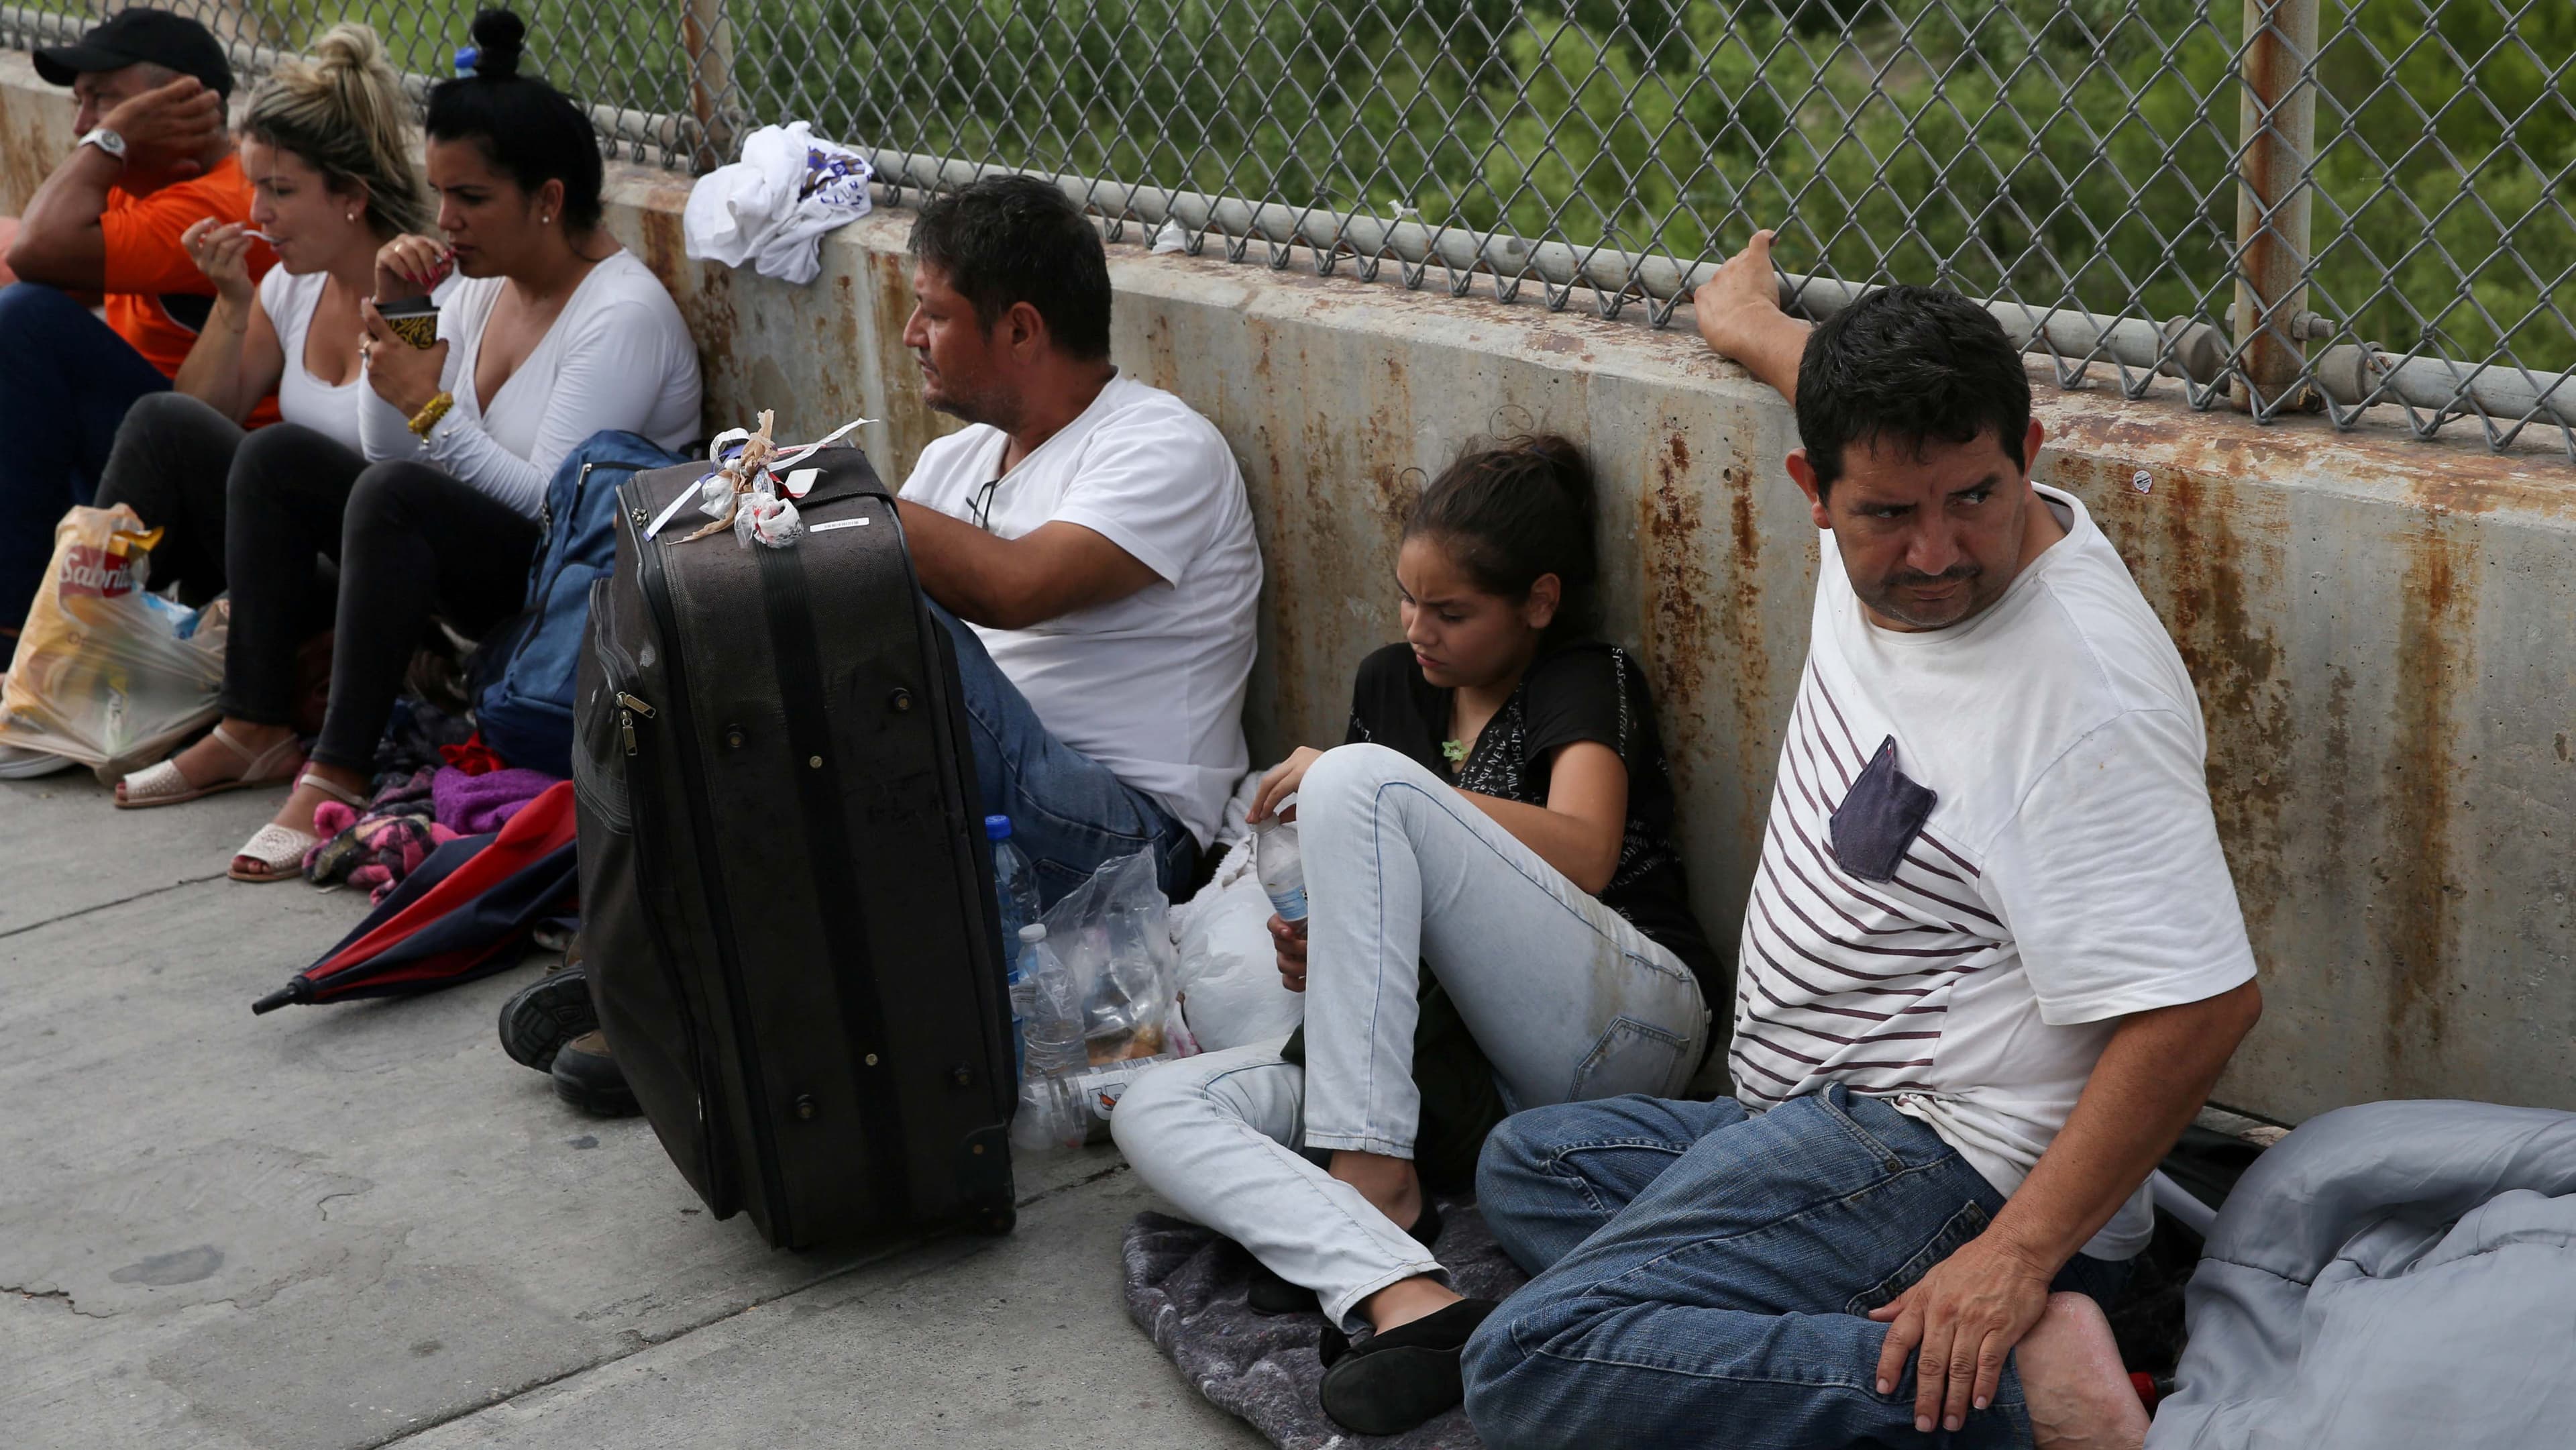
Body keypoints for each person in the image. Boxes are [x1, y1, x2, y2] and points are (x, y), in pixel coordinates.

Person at [1456, 233, 2265, 1450]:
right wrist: (1744, 320)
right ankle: (1907, 1346)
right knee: (1531, 1163)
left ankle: (2023, 1396)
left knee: (1530, 1363)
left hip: (1949, 1152)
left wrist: (2011, 1257)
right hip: (1812, 1114)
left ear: (2028, 456)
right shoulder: (1881, 469)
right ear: (1813, 491)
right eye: (1887, 514)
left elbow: (2203, 1008)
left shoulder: (2077, 702)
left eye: (1976, 499)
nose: (1937, 552)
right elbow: (1821, 370)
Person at [499, 171, 1262, 1119]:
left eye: (933, 315)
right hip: (974, 796)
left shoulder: (1158, 445)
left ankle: (687, 990)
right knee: (753, 642)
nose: (910, 338)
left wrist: (832, 491)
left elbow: (1015, 589)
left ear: (1021, 329)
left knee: (872, 624)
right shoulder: (959, 458)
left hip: (1116, 835)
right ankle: (687, 975)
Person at [1113, 435, 1719, 1436]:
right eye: (1406, 597)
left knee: (1353, 777)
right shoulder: (1393, 682)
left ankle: (1368, 1180)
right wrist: (1344, 943)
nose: (1417, 628)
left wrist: (1394, 794)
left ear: (1537, 601)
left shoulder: (1582, 674)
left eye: (1451, 612)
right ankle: (1400, 1290)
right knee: (1156, 1106)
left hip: (1620, 1032)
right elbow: (1383, 885)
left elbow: (1586, 851)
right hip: (1457, 1078)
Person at [113, 8, 699, 888]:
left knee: (396, 500)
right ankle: (254, 724)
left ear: (547, 201)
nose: (446, 220)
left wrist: (432, 413)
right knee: (275, 461)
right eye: (441, 195)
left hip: (574, 592)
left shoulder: (621, 315)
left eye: (471, 199)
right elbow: (387, 449)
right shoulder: (474, 286)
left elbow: (554, 507)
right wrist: (398, 321)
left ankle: (337, 769)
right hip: (482, 565)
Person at [91, 23, 431, 611]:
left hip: (378, 576)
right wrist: (231, 303)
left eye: (279, 191)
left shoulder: (428, 294)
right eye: (254, 189)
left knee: (266, 455)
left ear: (351, 195)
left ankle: (77, 640)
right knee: (159, 422)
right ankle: (79, 626)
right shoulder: (287, 286)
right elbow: (195, 424)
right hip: (286, 547)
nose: (257, 214)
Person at [0, 8, 266, 641]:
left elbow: (34, 255)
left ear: (183, 104)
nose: (85, 124)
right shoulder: (140, 183)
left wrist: (113, 139)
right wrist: (115, 142)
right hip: (135, 450)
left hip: (213, 479)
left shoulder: (213, 204)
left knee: (25, 322)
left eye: (109, 102)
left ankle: (11, 634)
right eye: (83, 103)